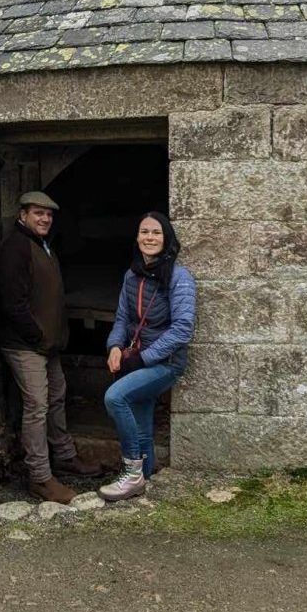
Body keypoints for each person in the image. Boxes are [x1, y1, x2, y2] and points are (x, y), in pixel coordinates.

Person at [0, 190, 101, 503]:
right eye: (38, 213)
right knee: (37, 407)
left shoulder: (40, 244)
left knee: (56, 397)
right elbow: (13, 305)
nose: (44, 219)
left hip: (46, 345)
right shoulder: (15, 248)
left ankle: (65, 456)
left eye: (49, 215)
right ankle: (40, 477)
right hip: (27, 346)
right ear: (23, 214)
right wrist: (38, 338)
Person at [99, 211, 196, 502]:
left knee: (116, 397)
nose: (149, 238)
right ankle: (146, 480)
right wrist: (115, 346)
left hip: (165, 364)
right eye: (144, 232)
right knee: (142, 425)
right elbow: (122, 317)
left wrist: (144, 358)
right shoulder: (132, 275)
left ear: (166, 240)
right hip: (135, 357)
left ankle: (131, 473)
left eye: (156, 233)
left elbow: (182, 330)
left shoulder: (179, 278)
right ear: (137, 237)